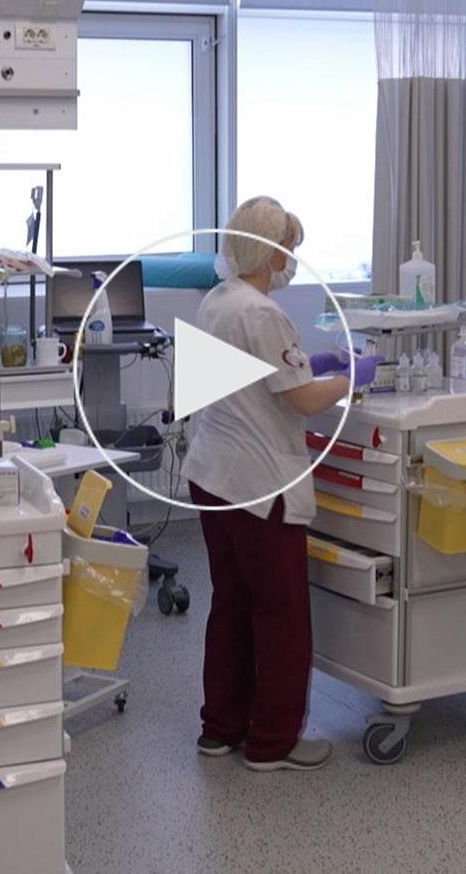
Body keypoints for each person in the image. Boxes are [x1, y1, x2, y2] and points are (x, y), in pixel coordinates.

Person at [178, 196, 377, 773]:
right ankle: (273, 742)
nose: (290, 261)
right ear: (270, 253)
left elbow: (257, 374)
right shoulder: (264, 313)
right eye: (288, 250)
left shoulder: (217, 301)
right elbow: (303, 400)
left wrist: (311, 365)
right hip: (256, 484)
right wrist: (349, 377)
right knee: (280, 612)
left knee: (231, 604)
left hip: (212, 475)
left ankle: (221, 728)